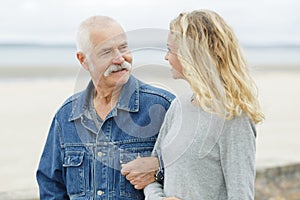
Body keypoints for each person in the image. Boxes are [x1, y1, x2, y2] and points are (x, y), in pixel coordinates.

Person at [122, 9, 264, 200]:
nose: (166, 57)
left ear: (192, 55)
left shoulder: (234, 118)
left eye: (170, 50)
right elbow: (153, 176)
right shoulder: (178, 106)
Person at [36, 15, 175, 199]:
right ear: (83, 60)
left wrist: (158, 169)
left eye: (123, 47)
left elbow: (191, 172)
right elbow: (51, 185)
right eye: (106, 52)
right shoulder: (66, 115)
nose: (119, 58)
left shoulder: (163, 106)